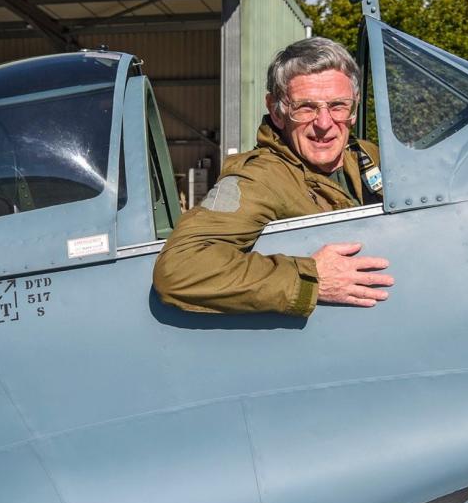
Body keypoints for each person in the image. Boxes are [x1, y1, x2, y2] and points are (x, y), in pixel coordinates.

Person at [153, 37, 394, 317]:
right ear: (277, 111)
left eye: (338, 106)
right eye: (306, 107)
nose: (325, 124)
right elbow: (180, 268)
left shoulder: (370, 156)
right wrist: (309, 279)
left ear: (353, 109)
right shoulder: (258, 178)